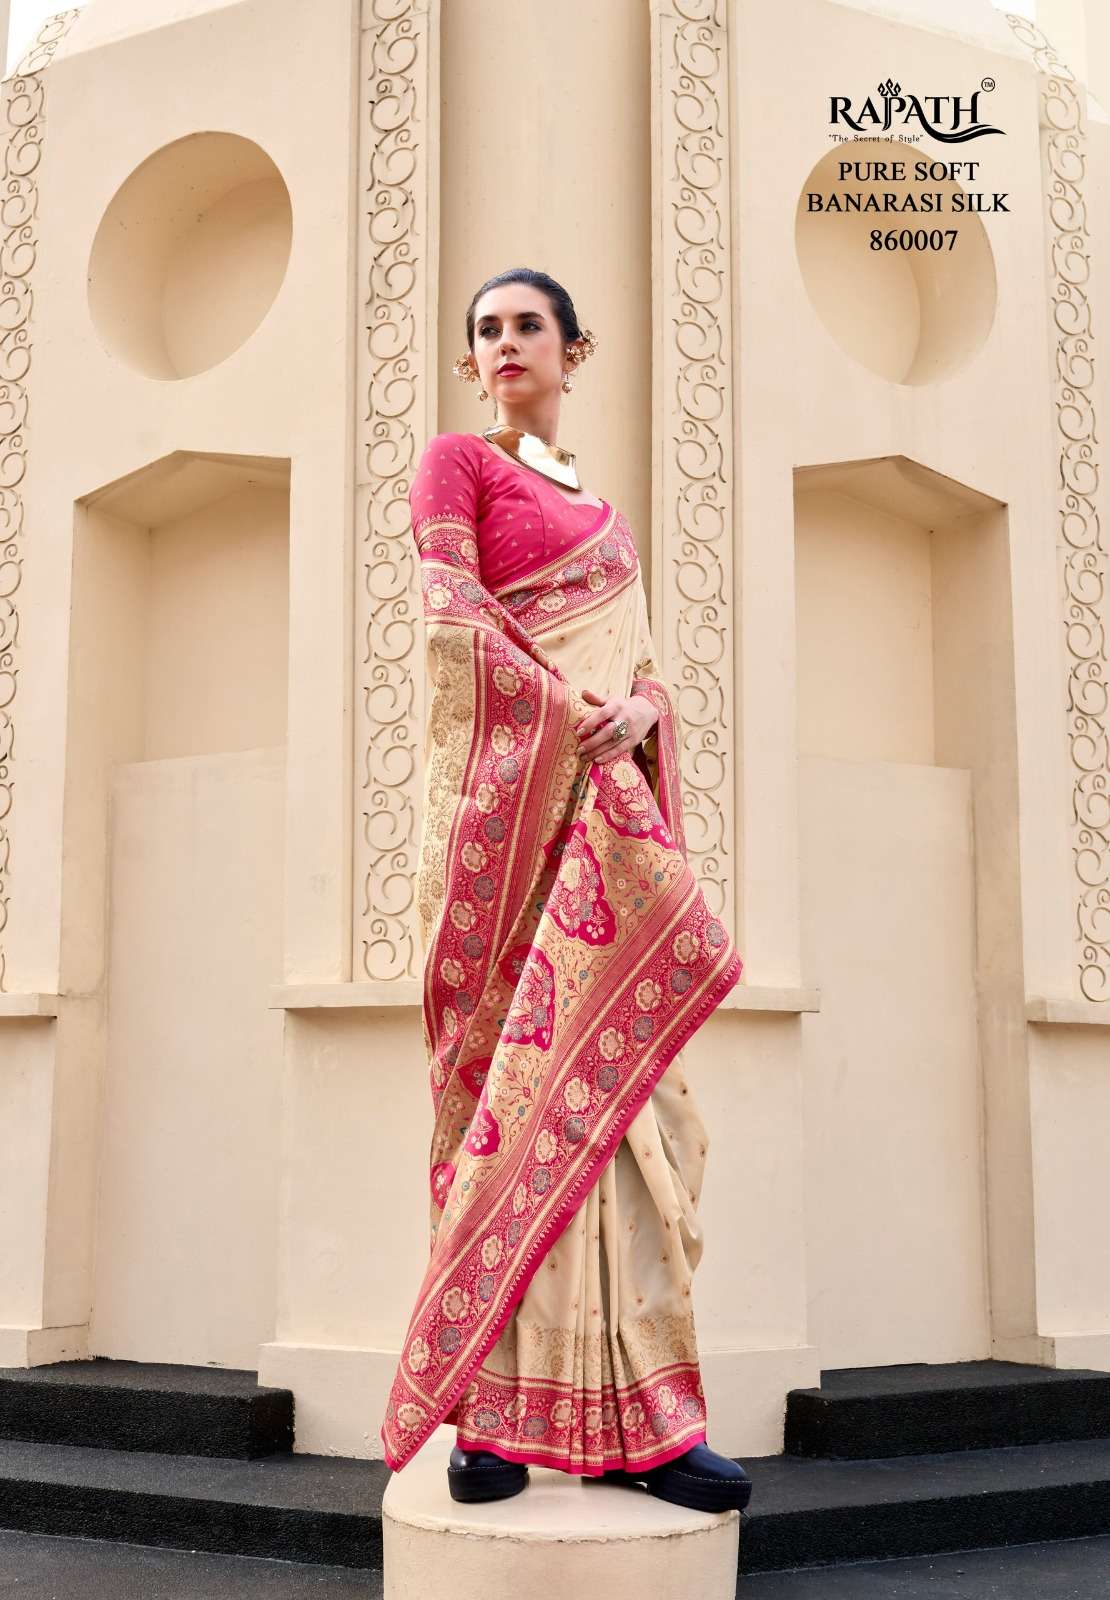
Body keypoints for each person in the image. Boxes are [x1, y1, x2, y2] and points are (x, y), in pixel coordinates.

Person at [380, 268, 750, 1518]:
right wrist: (572, 713)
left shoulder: (607, 519)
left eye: (525, 325)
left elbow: (643, 669)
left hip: (606, 821)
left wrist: (640, 713)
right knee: (508, 1111)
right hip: (512, 833)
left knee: (634, 1123)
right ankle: (487, 1422)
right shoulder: (458, 466)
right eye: (484, 330)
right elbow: (451, 624)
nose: (503, 344)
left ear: (571, 349)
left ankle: (649, 1426)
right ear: (469, 360)